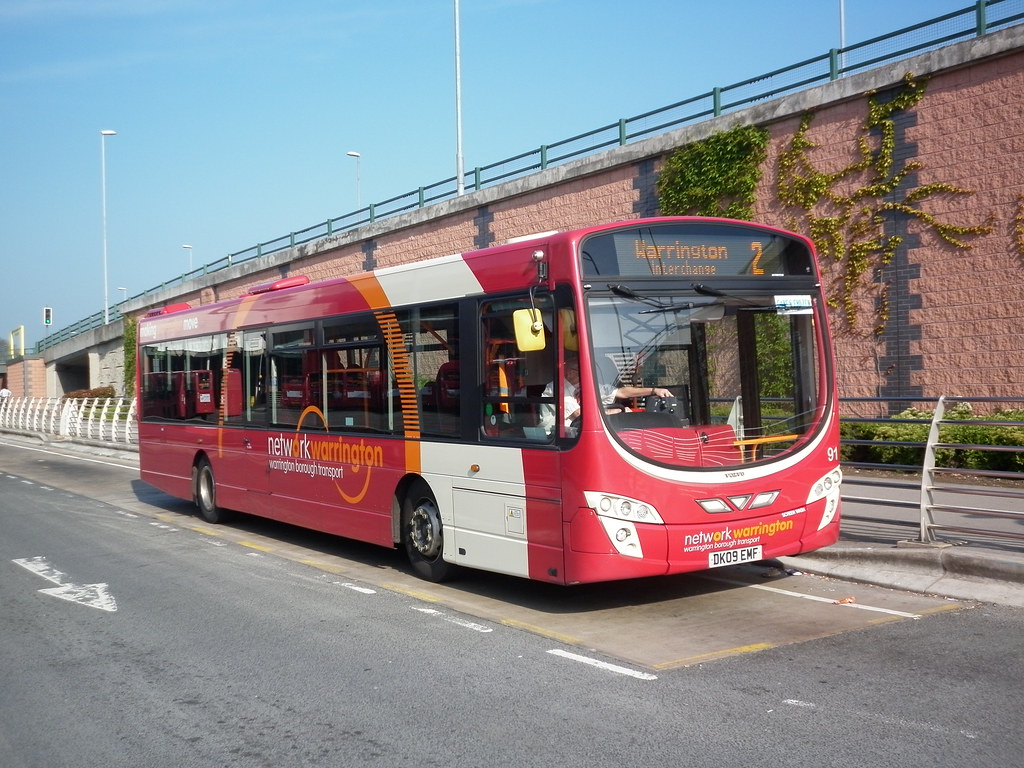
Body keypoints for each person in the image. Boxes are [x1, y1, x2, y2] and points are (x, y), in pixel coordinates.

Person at [538, 352, 582, 434]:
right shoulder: (556, 387)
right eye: (582, 372)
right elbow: (578, 414)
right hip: (552, 437)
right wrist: (607, 413)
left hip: (572, 433)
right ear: (571, 373)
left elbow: (606, 391)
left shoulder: (579, 386)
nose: (585, 376)